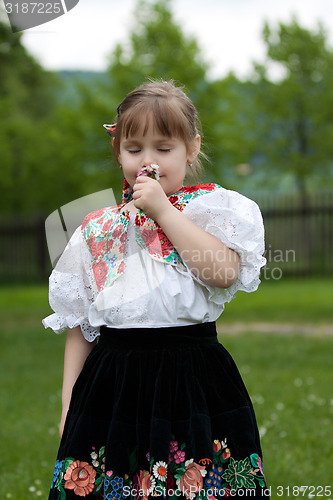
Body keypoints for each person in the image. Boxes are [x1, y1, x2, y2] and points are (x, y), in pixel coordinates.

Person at [43, 80, 269, 499]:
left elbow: (221, 272)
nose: (148, 161)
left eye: (164, 149)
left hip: (192, 379)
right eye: (134, 149)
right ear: (118, 152)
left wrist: (163, 211)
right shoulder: (97, 230)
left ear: (192, 148)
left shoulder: (211, 210)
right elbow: (79, 325)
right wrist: (67, 405)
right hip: (113, 383)